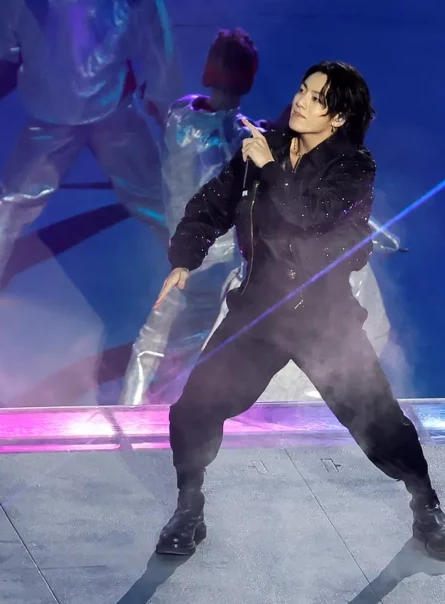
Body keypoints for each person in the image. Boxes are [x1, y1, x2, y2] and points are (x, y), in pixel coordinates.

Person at [153, 61, 445, 561]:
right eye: (303, 89)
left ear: (338, 118)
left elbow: (311, 217)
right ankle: (188, 507)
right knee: (195, 408)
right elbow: (211, 204)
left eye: (317, 98)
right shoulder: (268, 147)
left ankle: (426, 506)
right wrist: (185, 258)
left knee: (380, 422)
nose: (301, 100)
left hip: (323, 320)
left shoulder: (353, 167)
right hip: (259, 314)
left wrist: (268, 169)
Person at [0, 0, 183, 330]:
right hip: (111, 105)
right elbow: (156, 38)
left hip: (52, 108)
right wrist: (163, 97)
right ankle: (194, 265)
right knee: (150, 194)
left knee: (11, 200)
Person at [118, 28, 259, 407]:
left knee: (155, 339)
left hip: (182, 252)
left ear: (209, 70)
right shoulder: (240, 138)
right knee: (201, 344)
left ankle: (133, 410)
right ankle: (160, 412)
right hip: (223, 263)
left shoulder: (179, 114)